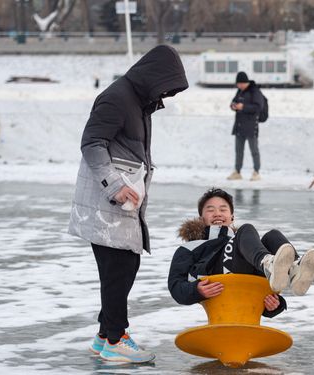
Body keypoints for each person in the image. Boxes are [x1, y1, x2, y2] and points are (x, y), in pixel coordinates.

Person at [68, 45, 189, 363]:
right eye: (167, 86)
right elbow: (91, 143)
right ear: (153, 75)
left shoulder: (137, 101)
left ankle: (104, 335)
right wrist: (116, 185)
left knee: (124, 267)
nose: (166, 94)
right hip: (107, 204)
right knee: (117, 271)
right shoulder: (116, 98)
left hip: (121, 205)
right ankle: (116, 339)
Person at [168, 188, 314, 315]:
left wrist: (273, 305)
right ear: (201, 218)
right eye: (210, 210)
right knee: (246, 229)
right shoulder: (190, 247)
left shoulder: (243, 242)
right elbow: (175, 286)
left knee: (272, 236)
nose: (217, 213)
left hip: (245, 277)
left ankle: (295, 272)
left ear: (232, 217)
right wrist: (196, 290)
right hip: (217, 279)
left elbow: (259, 295)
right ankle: (268, 264)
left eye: (223, 209)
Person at [227, 72, 266, 182]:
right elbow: (233, 102)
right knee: (238, 150)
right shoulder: (240, 91)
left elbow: (258, 107)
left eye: (240, 84)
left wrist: (243, 106)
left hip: (251, 125)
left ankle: (256, 172)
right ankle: (237, 172)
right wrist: (233, 106)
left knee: (254, 150)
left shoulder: (255, 91)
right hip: (239, 125)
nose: (239, 86)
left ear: (245, 82)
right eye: (237, 84)